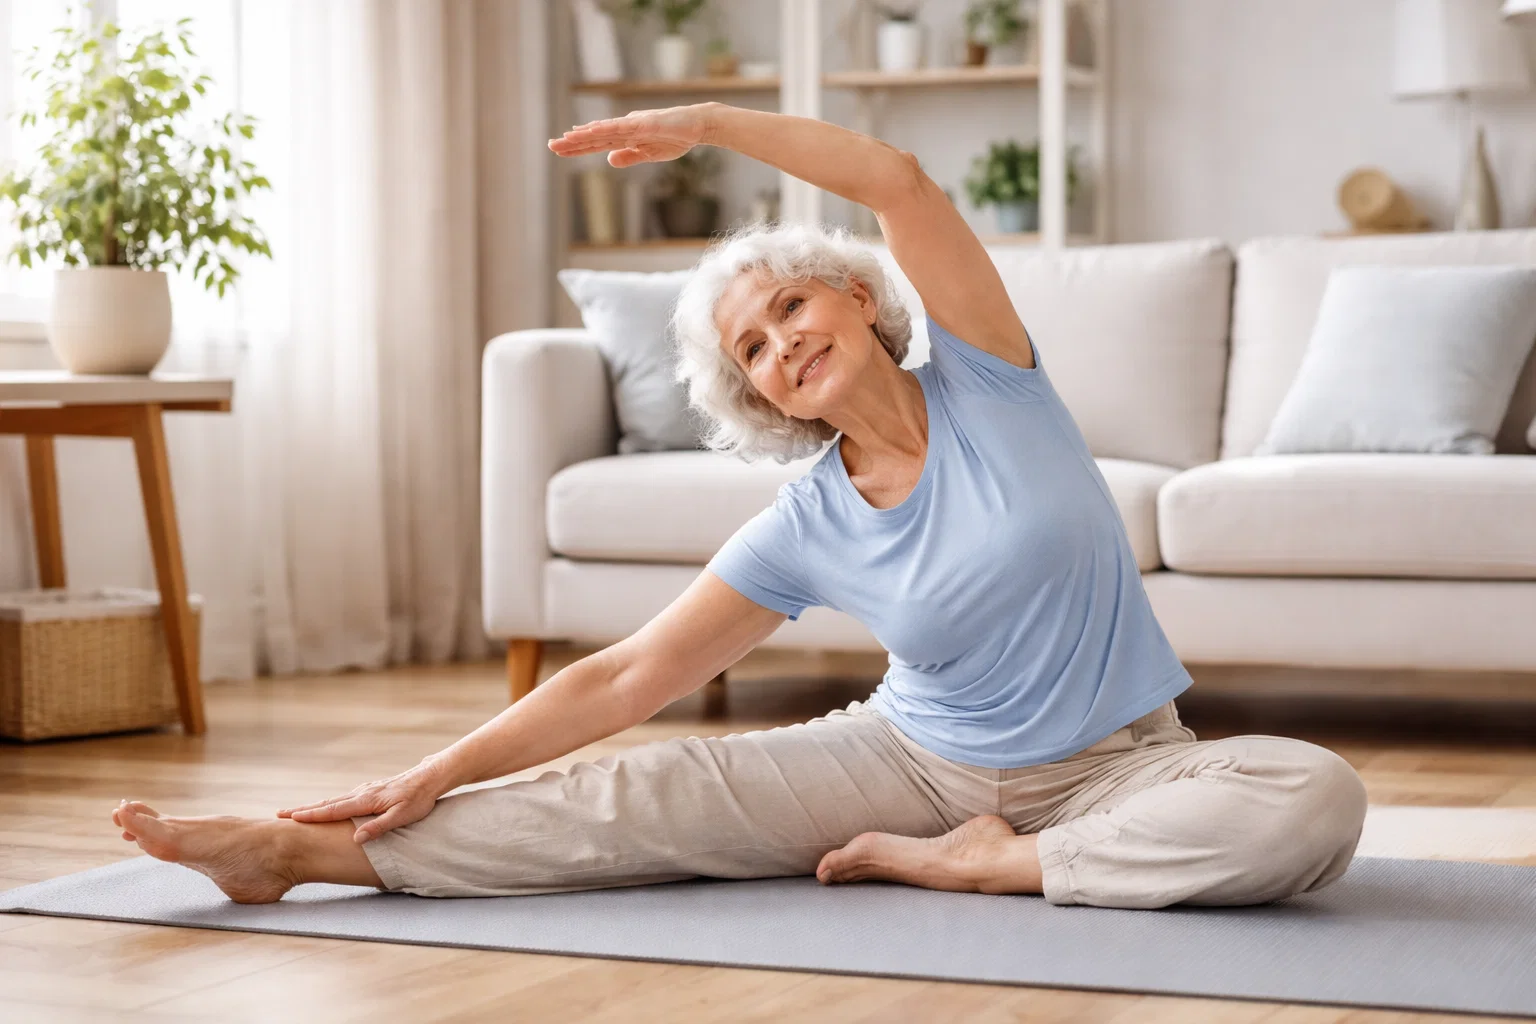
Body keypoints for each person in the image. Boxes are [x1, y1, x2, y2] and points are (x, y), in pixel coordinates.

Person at [111, 103, 1368, 908]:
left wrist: (712, 122)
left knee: (1314, 798)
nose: (781, 346)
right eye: (755, 350)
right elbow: (625, 677)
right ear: (764, 396)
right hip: (910, 763)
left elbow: (901, 180)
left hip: (1120, 772)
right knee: (640, 804)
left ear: (857, 302)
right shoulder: (808, 516)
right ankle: (289, 857)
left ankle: (1012, 866)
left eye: (792, 309)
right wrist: (432, 770)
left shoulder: (994, 378)